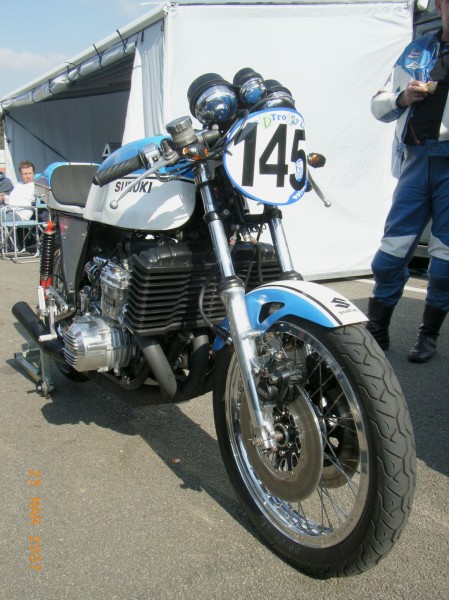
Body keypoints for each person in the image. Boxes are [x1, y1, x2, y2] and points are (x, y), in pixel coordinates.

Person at [367, 0, 449, 363]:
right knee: (389, 256)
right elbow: (378, 104)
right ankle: (378, 328)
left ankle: (427, 335)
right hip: (416, 163)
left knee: (445, 264)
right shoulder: (417, 50)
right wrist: (403, 97)